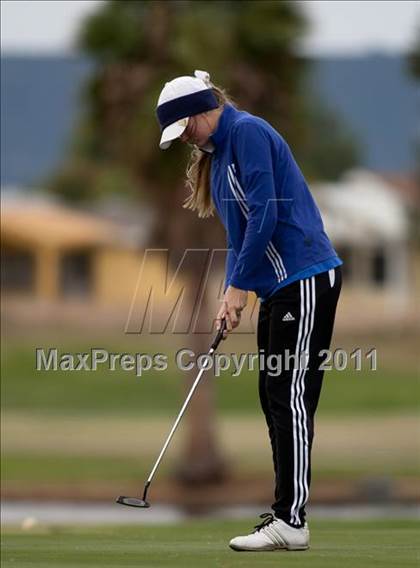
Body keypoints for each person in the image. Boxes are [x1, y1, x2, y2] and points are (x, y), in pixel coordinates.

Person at [156, 70, 342, 552]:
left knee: (290, 394)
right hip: (281, 286)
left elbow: (267, 212)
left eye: (185, 129)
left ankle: (292, 520)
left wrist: (240, 287)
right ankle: (286, 516)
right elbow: (240, 236)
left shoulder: (248, 133)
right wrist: (230, 295)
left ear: (200, 111)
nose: (188, 140)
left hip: (306, 275)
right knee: (273, 393)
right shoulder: (218, 159)